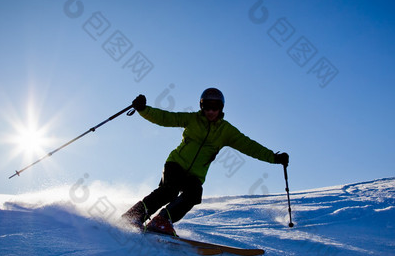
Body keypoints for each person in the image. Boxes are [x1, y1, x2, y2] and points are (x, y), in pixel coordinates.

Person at [121, 88, 289, 236]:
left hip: (195, 175)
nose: (210, 111)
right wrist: (143, 109)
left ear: (220, 108)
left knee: (194, 194)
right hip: (176, 164)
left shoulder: (226, 131)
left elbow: (249, 146)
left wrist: (274, 157)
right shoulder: (192, 119)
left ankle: (162, 220)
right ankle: (133, 216)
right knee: (168, 191)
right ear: (202, 106)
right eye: (206, 107)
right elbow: (166, 118)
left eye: (214, 107)